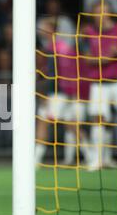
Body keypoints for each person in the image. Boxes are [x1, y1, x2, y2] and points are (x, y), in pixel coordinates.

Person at [35, 18, 92, 167]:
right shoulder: (57, 47)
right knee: (71, 125)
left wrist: (49, 93)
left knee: (43, 121)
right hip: (63, 93)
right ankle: (91, 156)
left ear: (51, 29)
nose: (40, 30)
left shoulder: (57, 49)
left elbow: (59, 74)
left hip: (58, 93)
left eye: (43, 27)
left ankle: (35, 159)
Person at [81, 1, 117, 171]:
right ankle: (98, 160)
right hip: (98, 84)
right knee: (99, 120)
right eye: (98, 12)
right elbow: (85, 58)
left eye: (104, 11)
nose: (101, 15)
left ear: (109, 12)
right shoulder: (88, 32)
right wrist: (106, 58)